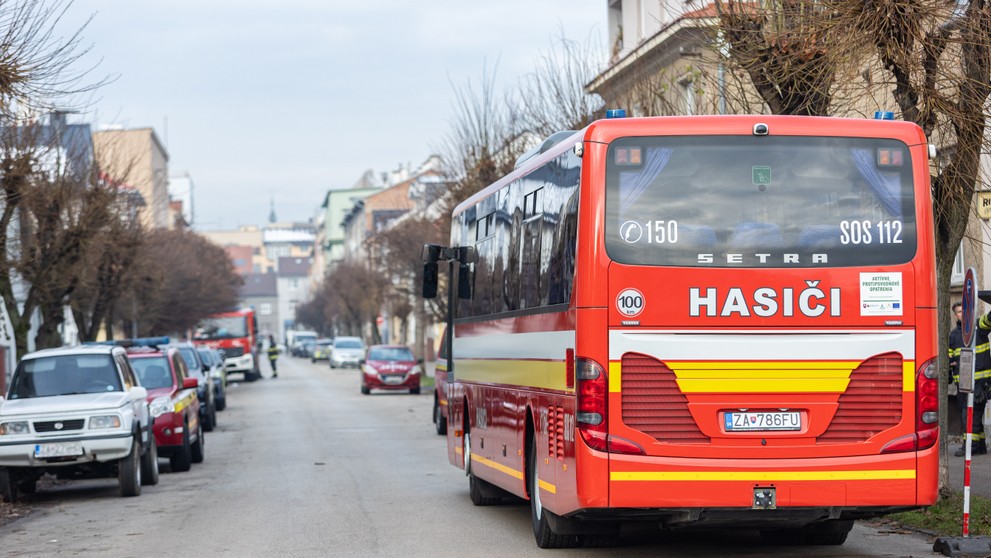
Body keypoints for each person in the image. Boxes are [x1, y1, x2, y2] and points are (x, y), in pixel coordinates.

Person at [958, 304, 991, 456]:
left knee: (972, 416)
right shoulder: (955, 334)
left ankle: (972, 448)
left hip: (980, 384)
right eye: (958, 312)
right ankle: (980, 446)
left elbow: (987, 320)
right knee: (973, 416)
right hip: (965, 385)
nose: (961, 315)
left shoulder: (979, 327)